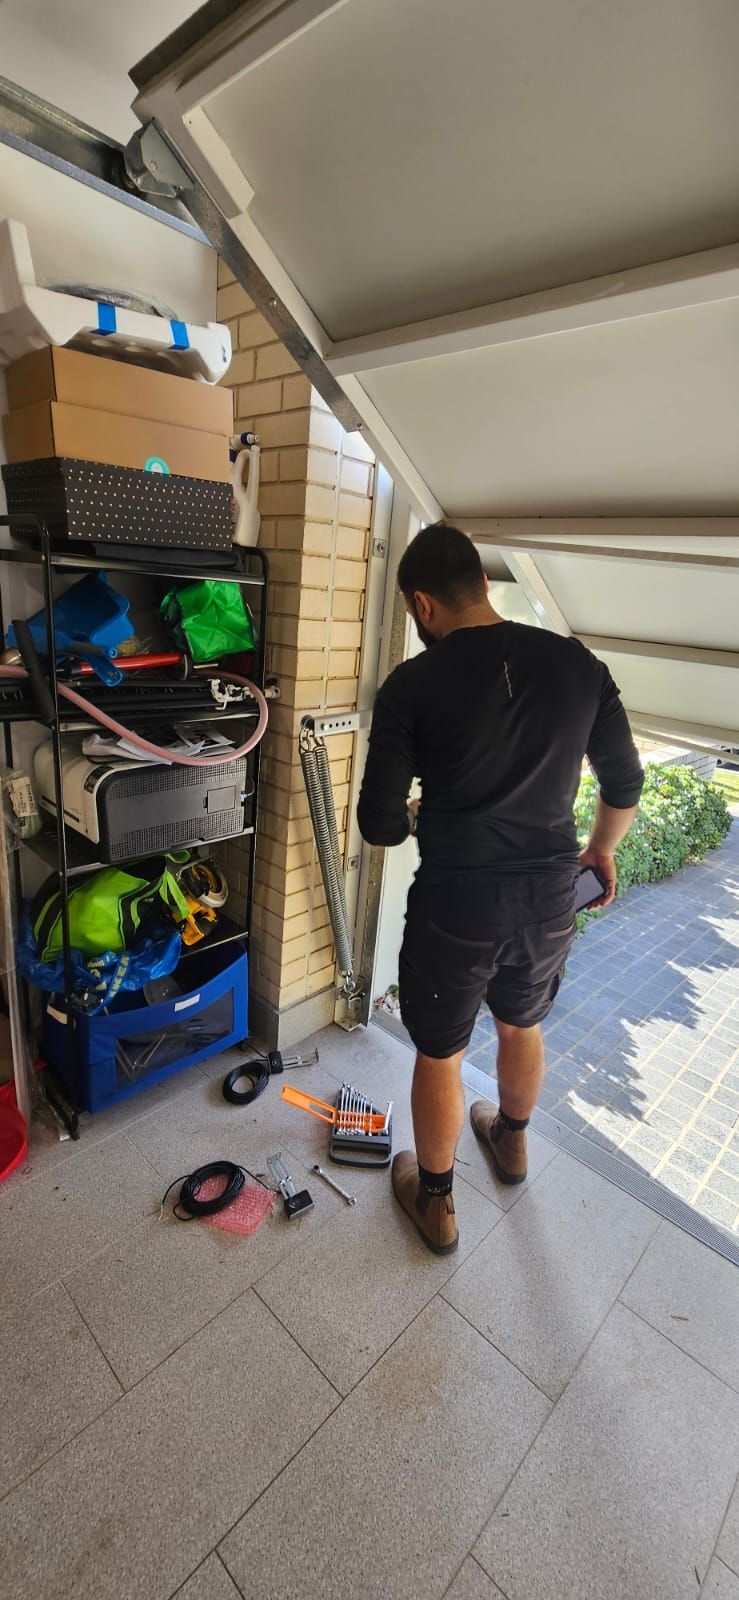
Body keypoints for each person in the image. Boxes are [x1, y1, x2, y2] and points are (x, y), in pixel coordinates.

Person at [357, 523, 644, 1255]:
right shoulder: (578, 665)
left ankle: (437, 1201)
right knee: (522, 1025)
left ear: (421, 604)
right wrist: (599, 852)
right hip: (551, 895)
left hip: (456, 904)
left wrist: (421, 809)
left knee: (441, 1054)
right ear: (482, 586)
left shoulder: (411, 685)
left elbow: (379, 825)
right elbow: (624, 782)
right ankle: (510, 1144)